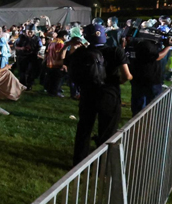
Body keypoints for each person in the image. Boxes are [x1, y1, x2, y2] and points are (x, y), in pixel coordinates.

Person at [67, 24, 132, 164]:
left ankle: (79, 162)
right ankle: (103, 163)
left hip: (87, 94)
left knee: (84, 129)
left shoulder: (81, 53)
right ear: (105, 36)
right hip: (109, 94)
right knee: (107, 131)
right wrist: (118, 81)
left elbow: (67, 64)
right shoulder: (116, 51)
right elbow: (127, 75)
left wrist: (71, 46)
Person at [129, 36, 172, 113]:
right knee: (152, 106)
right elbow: (157, 56)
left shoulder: (137, 43)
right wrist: (168, 46)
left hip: (138, 77)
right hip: (150, 79)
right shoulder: (147, 44)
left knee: (138, 104)